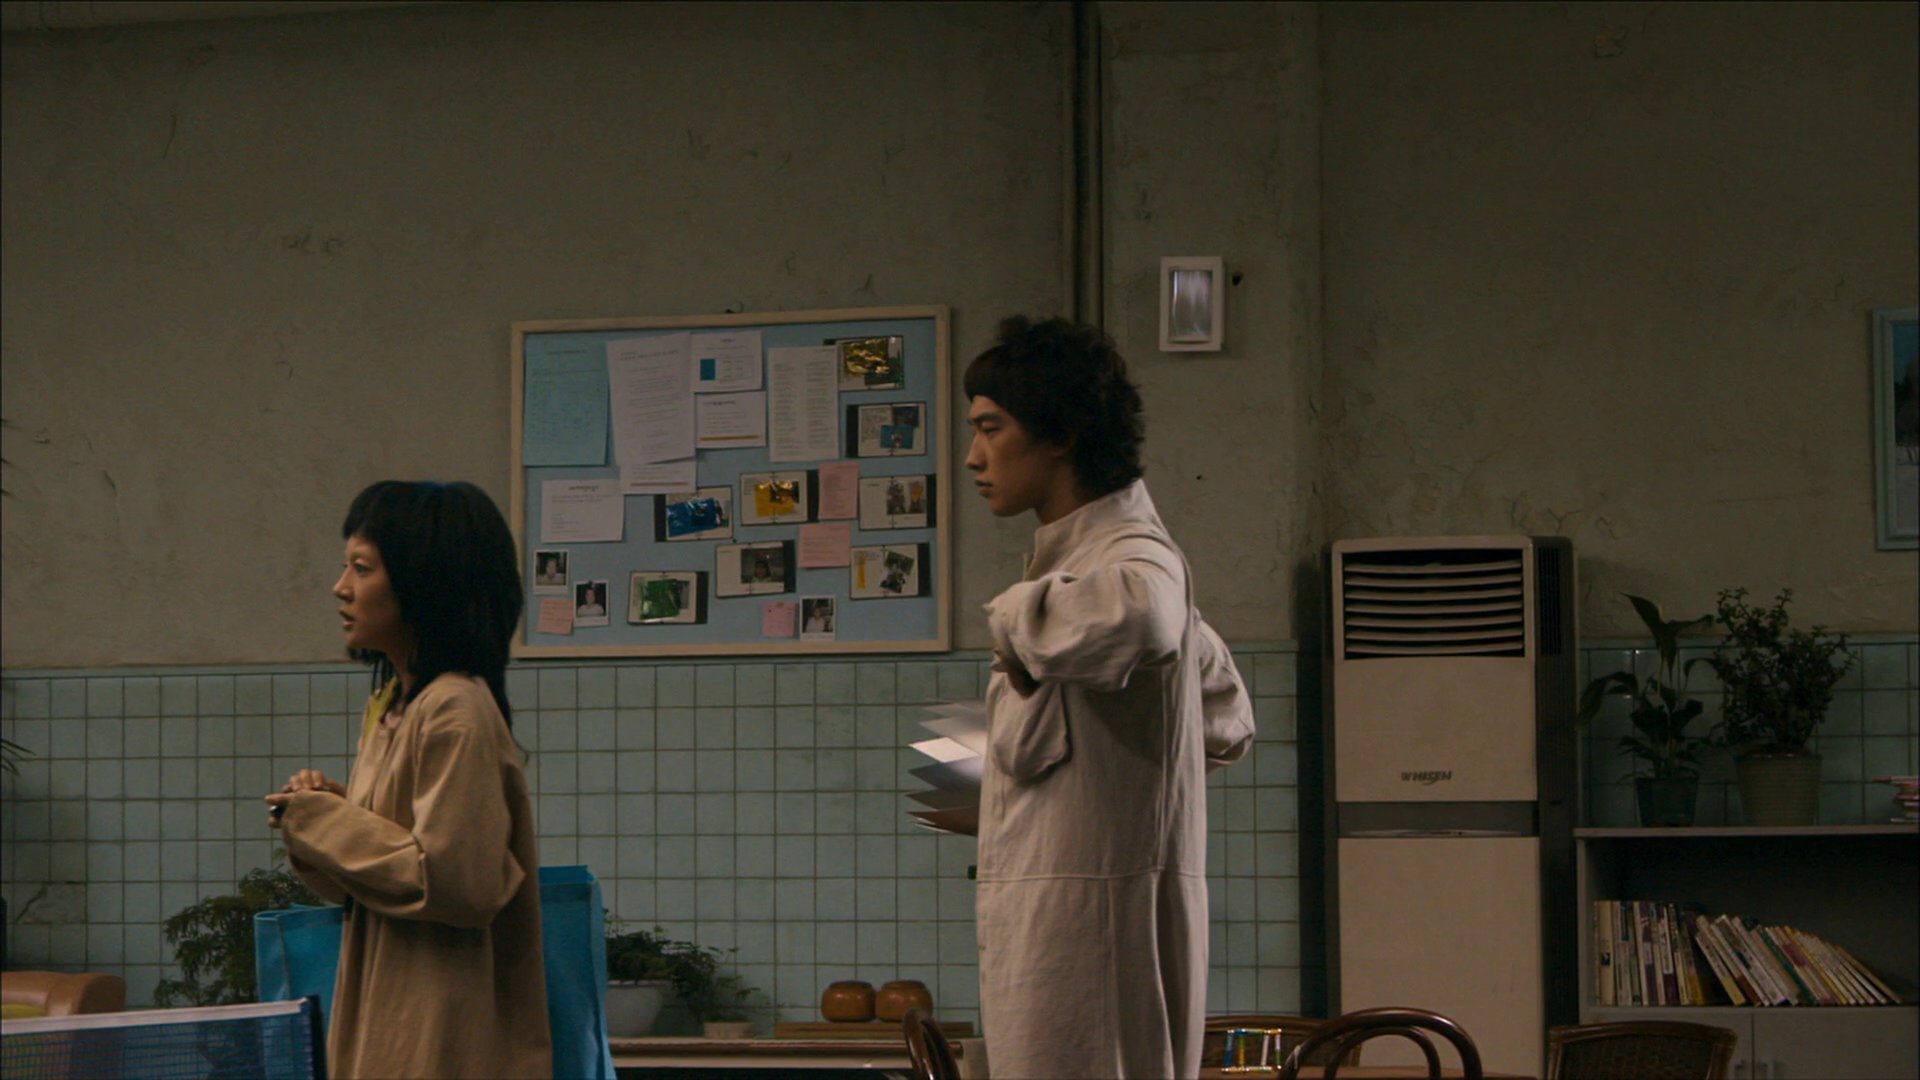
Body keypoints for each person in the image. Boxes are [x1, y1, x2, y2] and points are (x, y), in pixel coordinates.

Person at [963, 316, 1255, 1079]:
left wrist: (1015, 620)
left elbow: (1147, 617)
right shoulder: (1090, 557)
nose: (973, 457)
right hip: (1067, 920)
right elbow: (1223, 717)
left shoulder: (1133, 554)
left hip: (1092, 938)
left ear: (1060, 435)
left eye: (991, 429)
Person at [266, 480, 550, 1078]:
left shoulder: (454, 709)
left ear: (424, 583)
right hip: (391, 1014)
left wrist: (325, 822)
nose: (340, 587)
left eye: (362, 568)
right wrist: (323, 815)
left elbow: (458, 885)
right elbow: (378, 881)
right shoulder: (396, 706)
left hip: (439, 1029)